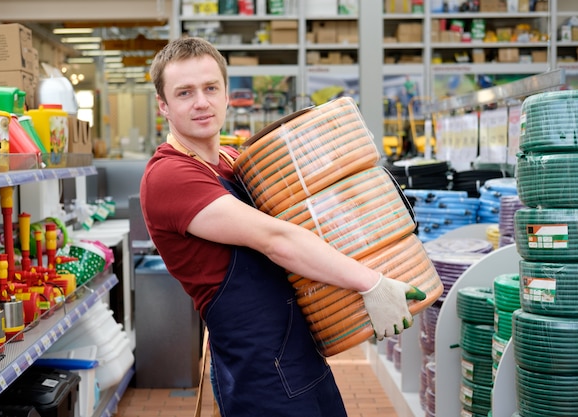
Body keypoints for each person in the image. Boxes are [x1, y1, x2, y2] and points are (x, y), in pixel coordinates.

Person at [140, 37, 425, 417]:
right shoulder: (170, 175)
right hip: (258, 369)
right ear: (164, 106)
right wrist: (370, 282)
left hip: (298, 351)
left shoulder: (231, 158)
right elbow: (276, 239)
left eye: (211, 88)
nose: (201, 102)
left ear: (226, 95)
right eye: (185, 93)